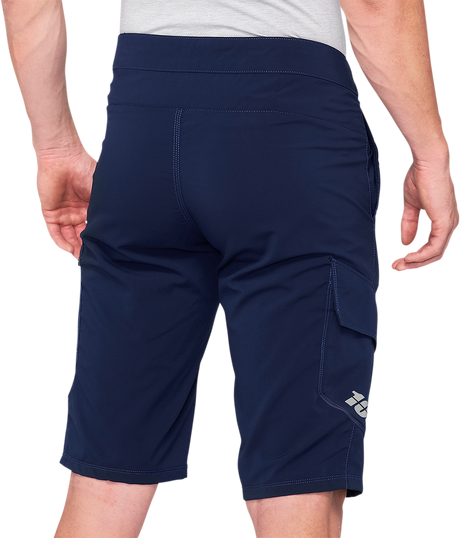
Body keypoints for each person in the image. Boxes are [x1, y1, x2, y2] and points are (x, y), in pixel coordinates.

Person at [2, 1, 458, 537]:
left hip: (141, 124)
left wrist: (55, 148)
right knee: (298, 479)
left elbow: (27, 5)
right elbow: (375, 4)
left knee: (104, 482)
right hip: (288, 132)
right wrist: (431, 155)